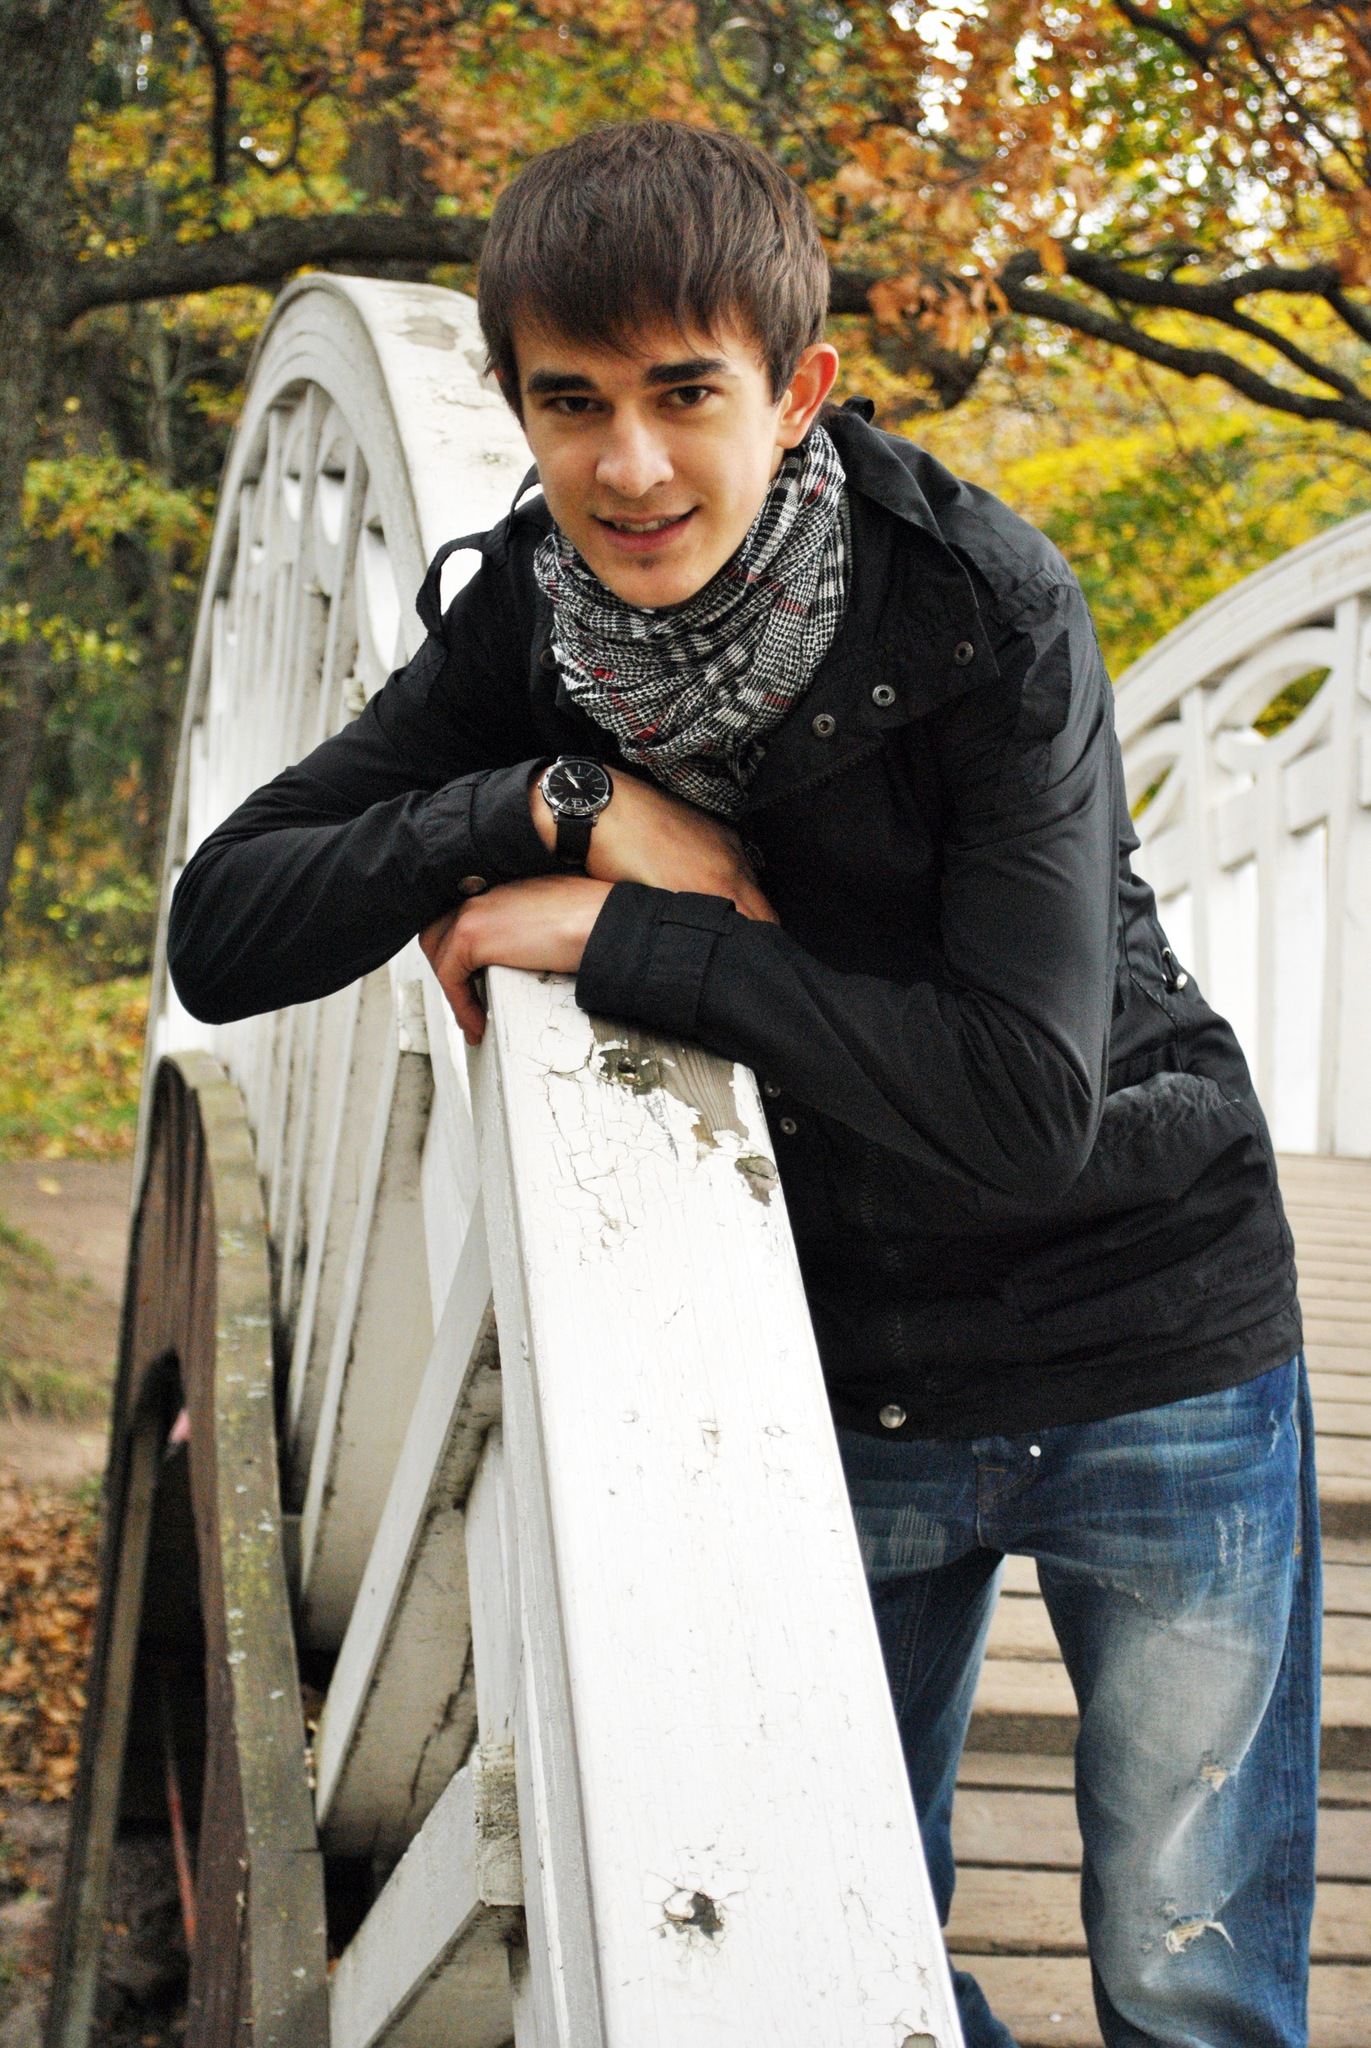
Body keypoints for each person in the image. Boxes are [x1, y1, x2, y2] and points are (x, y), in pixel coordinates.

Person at [167, 120, 1317, 2048]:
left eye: (685, 393)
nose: (629, 467)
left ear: (799, 391)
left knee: (1189, 1985)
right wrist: (548, 801)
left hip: (1153, 1327)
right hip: (846, 1365)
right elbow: (226, 927)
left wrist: (632, 936)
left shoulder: (983, 609)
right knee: (843, 1944)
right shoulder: (535, 622)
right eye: (572, 401)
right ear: (516, 404)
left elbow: (1023, 1103)